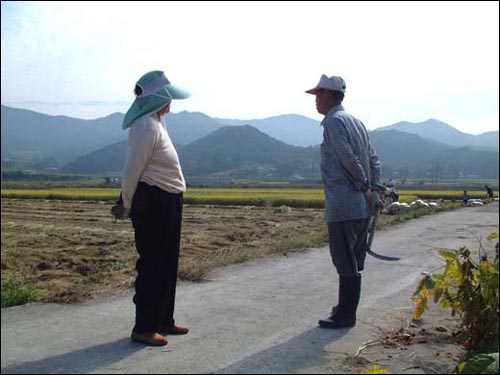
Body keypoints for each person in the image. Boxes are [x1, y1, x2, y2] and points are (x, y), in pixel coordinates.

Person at [112, 70, 190, 346]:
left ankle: (163, 320)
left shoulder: (157, 122)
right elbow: (132, 169)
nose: (172, 103)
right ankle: (144, 327)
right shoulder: (145, 125)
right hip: (153, 200)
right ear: (157, 98)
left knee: (168, 263)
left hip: (167, 199)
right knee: (153, 264)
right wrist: (127, 202)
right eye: (168, 97)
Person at [306, 74, 382, 329]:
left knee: (343, 257)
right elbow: (374, 160)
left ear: (329, 95)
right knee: (355, 256)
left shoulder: (333, 123)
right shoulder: (356, 122)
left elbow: (347, 158)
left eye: (318, 95)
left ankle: (346, 315)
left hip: (344, 201)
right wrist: (373, 190)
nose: (316, 100)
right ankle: (345, 307)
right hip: (361, 204)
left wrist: (363, 186)